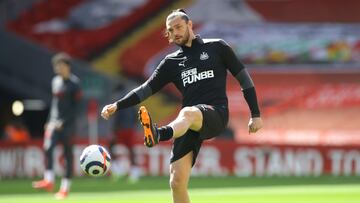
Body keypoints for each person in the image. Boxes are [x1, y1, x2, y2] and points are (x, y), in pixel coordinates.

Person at [101, 9, 263, 203]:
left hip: (215, 114)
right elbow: (145, 89)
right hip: (187, 124)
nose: (175, 32)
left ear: (190, 25)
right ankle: (161, 134)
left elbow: (244, 79)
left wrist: (255, 114)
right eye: (170, 30)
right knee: (176, 183)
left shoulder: (217, 47)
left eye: (178, 26)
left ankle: (159, 134)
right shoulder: (170, 63)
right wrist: (117, 105)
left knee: (187, 112)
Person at [32, 53, 82, 200]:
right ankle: (49, 180)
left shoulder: (75, 84)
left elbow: (77, 108)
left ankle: (65, 188)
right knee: (48, 147)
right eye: (56, 65)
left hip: (68, 126)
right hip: (54, 123)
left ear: (67, 66)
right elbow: (54, 105)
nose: (57, 68)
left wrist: (64, 122)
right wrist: (50, 120)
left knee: (67, 156)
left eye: (60, 65)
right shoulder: (55, 81)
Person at [109, 85, 141, 183]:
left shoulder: (117, 100)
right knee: (131, 151)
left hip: (120, 130)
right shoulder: (131, 100)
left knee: (111, 147)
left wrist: (114, 130)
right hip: (130, 129)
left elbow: (117, 117)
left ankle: (116, 171)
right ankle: (135, 173)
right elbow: (136, 115)